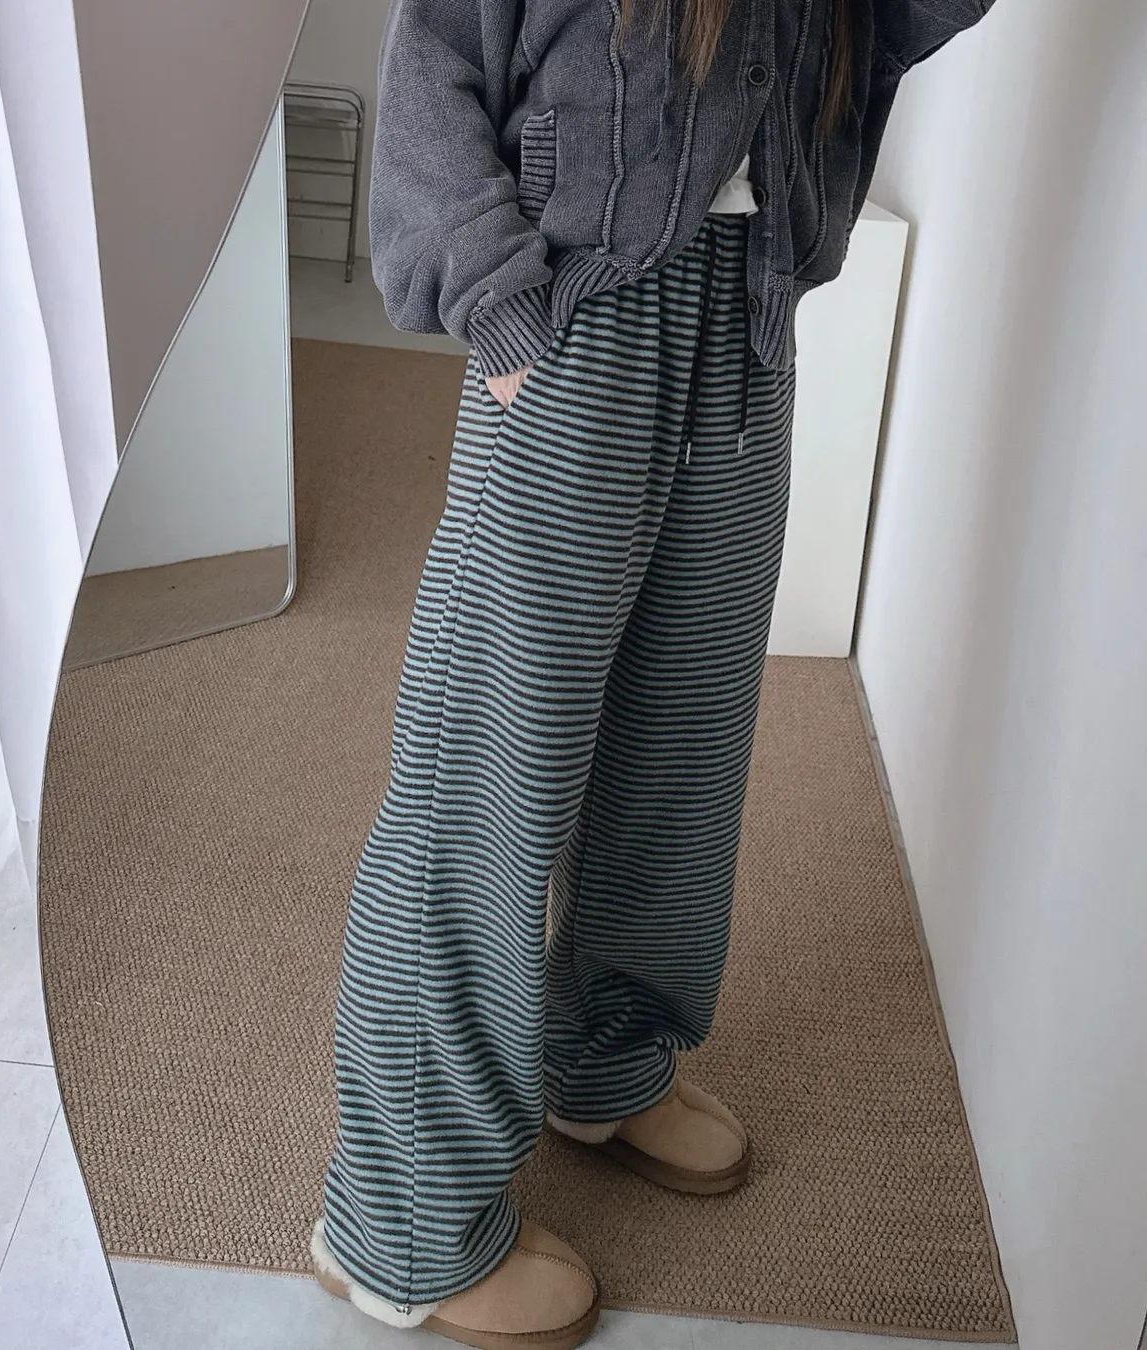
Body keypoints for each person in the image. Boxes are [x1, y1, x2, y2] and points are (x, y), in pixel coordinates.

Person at [311, 1, 994, 1345]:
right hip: (579, 312)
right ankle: (399, 1221)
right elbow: (438, 52)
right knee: (488, 768)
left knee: (684, 738)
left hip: (747, 320)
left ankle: (607, 1057)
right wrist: (498, 301)